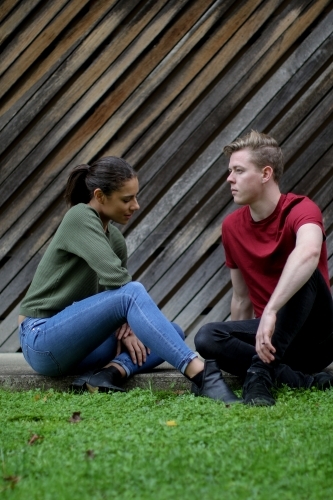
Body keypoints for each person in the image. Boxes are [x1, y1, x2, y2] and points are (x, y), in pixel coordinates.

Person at [18, 156, 241, 404]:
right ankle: (201, 375)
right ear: (100, 196)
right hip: (42, 340)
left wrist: (129, 328)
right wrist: (127, 320)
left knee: (171, 333)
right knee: (133, 294)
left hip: (83, 345)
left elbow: (113, 297)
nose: (136, 205)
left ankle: (108, 374)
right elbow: (119, 283)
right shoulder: (79, 216)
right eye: (127, 199)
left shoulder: (114, 239)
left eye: (135, 196)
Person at [194, 130, 333, 406]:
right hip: (270, 343)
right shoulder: (232, 226)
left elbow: (309, 251)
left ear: (266, 174)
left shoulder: (301, 209)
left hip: (316, 339)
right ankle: (299, 380)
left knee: (306, 272)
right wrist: (233, 346)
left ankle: (258, 376)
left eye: (238, 170)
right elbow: (241, 298)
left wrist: (270, 310)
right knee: (208, 335)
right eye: (230, 171)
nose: (229, 179)